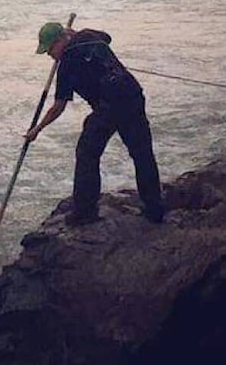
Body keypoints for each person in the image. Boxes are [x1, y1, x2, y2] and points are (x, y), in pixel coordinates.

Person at [25, 22, 165, 226]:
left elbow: (59, 107)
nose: (50, 55)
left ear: (60, 40)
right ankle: (155, 209)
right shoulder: (89, 36)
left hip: (109, 107)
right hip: (132, 94)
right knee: (142, 153)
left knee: (87, 153)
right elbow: (107, 37)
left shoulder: (66, 65)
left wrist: (38, 128)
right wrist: (78, 35)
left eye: (50, 49)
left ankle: (85, 212)